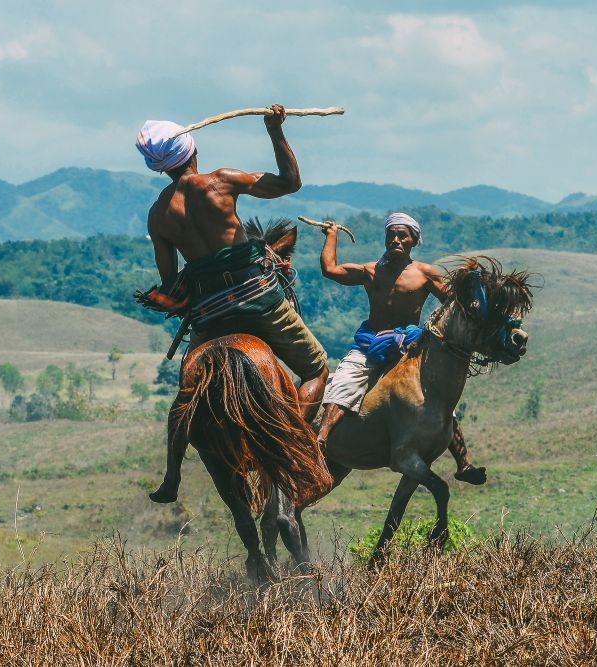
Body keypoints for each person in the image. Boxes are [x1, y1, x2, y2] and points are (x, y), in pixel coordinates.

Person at [137, 104, 329, 503]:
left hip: (210, 314)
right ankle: (295, 439)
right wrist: (275, 131)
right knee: (317, 367)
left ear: (159, 167)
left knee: (187, 395)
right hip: (260, 301)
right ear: (192, 150)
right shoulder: (221, 181)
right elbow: (289, 183)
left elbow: (171, 281)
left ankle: (172, 476)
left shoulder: (158, 215)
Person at [316, 212, 485, 484]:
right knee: (344, 384)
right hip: (369, 343)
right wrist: (331, 236)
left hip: (408, 348)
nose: (396, 239)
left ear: (414, 240)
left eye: (402, 235)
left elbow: (453, 305)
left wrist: (473, 286)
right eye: (391, 234)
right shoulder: (371, 271)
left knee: (440, 404)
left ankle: (464, 463)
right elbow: (330, 270)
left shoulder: (425, 273)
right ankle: (321, 439)